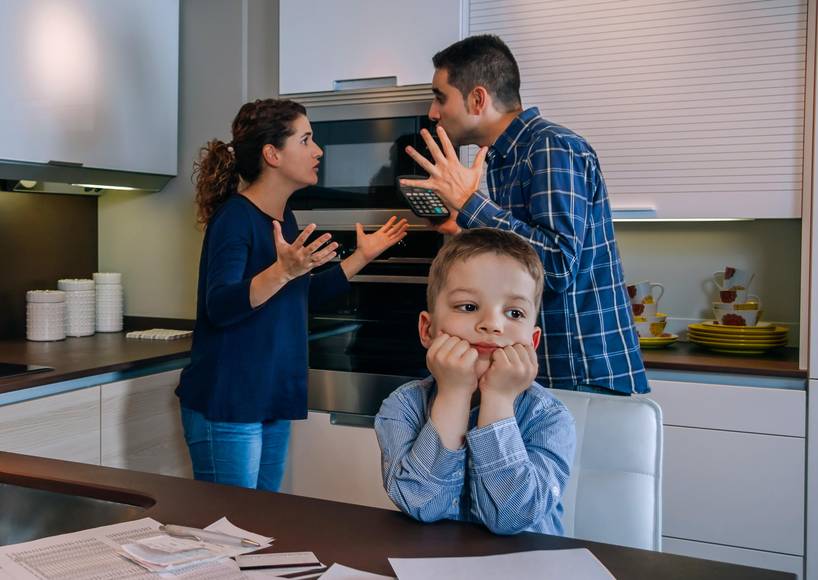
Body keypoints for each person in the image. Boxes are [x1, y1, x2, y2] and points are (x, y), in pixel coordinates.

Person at [176, 98, 408, 491]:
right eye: (305, 140)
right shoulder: (235, 218)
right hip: (231, 401)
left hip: (270, 397)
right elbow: (220, 306)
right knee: (230, 523)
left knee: (263, 520)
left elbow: (298, 296)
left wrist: (361, 257)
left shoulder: (285, 219)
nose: (318, 151)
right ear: (273, 154)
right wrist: (282, 271)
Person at [400, 35, 648, 395]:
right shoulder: (506, 157)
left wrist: (470, 203)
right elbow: (523, 258)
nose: (433, 112)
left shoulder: (550, 146)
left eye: (440, 97)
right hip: (548, 367)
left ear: (478, 99)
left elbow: (557, 264)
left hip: (580, 369)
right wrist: (461, 226)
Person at [375, 228, 575, 535]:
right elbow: (420, 504)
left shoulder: (549, 417)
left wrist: (498, 399)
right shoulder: (403, 406)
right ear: (427, 330)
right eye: (468, 307)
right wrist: (453, 394)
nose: (492, 324)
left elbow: (513, 517)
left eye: (514, 312)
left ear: (532, 341)